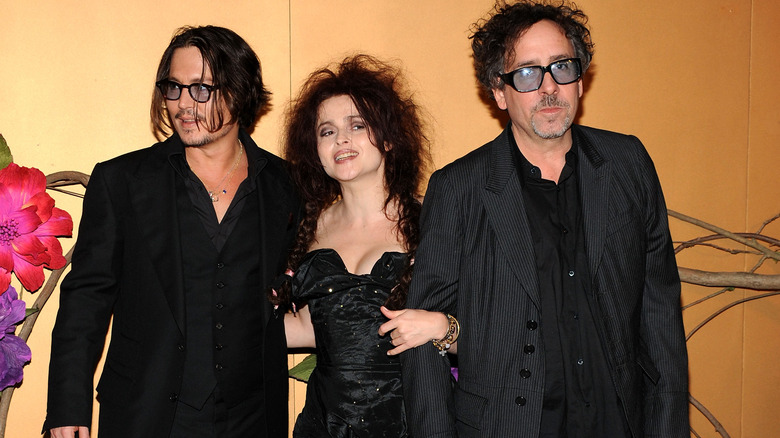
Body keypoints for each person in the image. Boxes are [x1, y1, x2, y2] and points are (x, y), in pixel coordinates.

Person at [401, 1, 690, 437]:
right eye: (528, 73)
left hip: (617, 423)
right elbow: (421, 338)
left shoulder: (628, 163)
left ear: (581, 78)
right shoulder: (459, 188)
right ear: (499, 92)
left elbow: (661, 318)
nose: (549, 87)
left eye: (561, 67)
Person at [44, 26, 299, 438]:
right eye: (173, 88)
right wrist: (66, 406)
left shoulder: (284, 186)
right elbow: (86, 299)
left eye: (201, 89)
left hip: (252, 416)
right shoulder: (122, 180)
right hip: (147, 411)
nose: (183, 104)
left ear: (240, 90)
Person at [270, 54, 454, 437]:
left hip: (412, 422)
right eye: (327, 131)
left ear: (388, 137)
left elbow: (497, 336)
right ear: (315, 151)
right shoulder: (305, 226)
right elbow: (312, 327)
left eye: (357, 125)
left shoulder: (434, 222)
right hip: (325, 424)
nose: (341, 139)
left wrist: (441, 327)